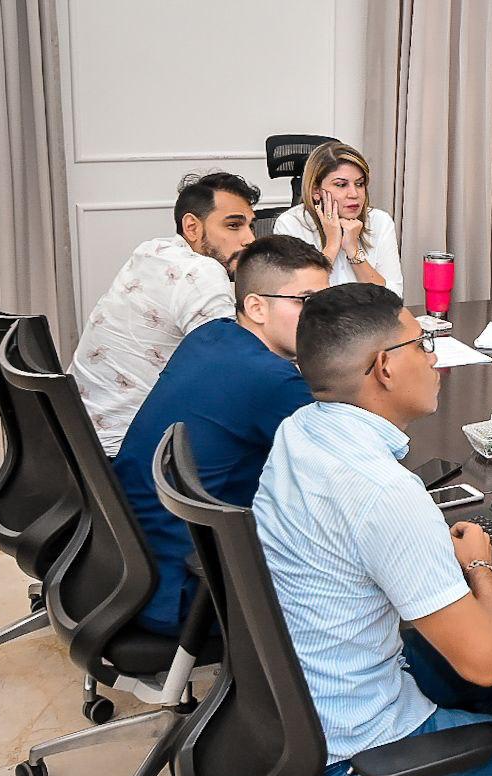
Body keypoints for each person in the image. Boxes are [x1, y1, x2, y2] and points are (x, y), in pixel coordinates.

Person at [254, 284, 492, 776]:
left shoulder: (299, 431)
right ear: (384, 368)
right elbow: (486, 661)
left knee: (465, 678)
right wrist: (480, 568)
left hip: (286, 718)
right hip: (349, 766)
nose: (434, 357)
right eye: (422, 344)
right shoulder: (384, 491)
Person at [112, 235, 329, 636]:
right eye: (306, 302)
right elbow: (348, 465)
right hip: (190, 590)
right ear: (256, 306)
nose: (324, 319)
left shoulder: (210, 335)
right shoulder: (272, 379)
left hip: (128, 563)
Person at [70, 171, 260, 456]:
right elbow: (230, 371)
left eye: (250, 226)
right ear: (192, 227)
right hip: (131, 452)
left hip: (82, 441)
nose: (249, 239)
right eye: (233, 225)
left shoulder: (152, 251)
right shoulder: (202, 271)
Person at [272, 140, 403, 297]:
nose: (354, 194)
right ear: (316, 191)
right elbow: (296, 299)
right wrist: (332, 245)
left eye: (360, 184)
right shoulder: (291, 224)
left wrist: (353, 251)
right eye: (341, 185)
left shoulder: (379, 221)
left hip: (368, 320)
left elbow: (394, 298)